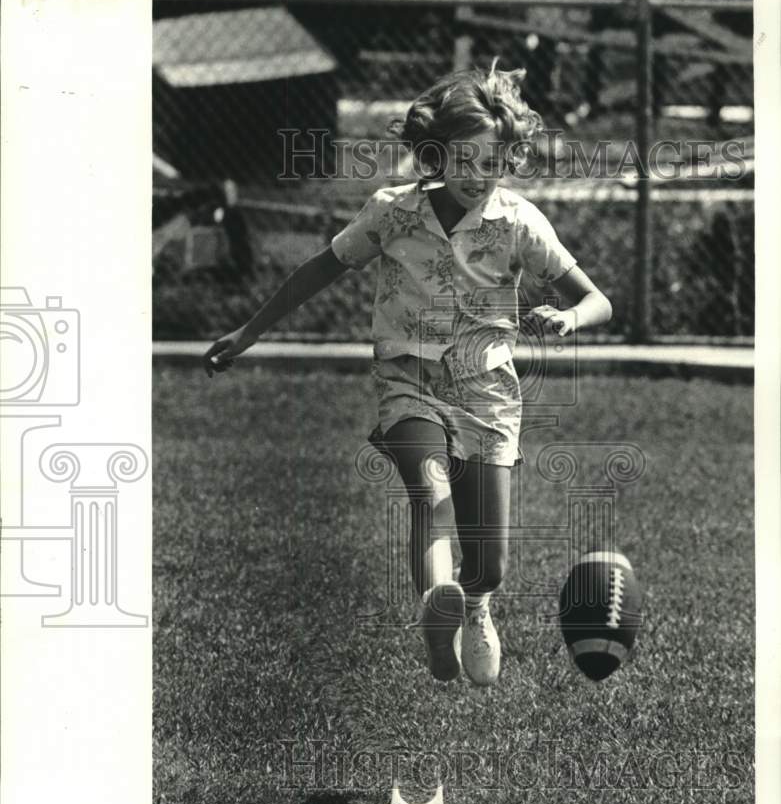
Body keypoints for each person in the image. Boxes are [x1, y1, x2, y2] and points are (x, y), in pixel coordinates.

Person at [204, 60, 612, 687]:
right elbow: (321, 268)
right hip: (409, 383)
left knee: (492, 564)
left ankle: (474, 605)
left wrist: (569, 319)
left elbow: (597, 299)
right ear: (434, 153)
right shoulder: (392, 213)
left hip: (488, 393)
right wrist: (249, 332)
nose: (478, 176)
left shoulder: (520, 224)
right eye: (464, 160)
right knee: (430, 492)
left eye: (492, 163)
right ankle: (437, 606)